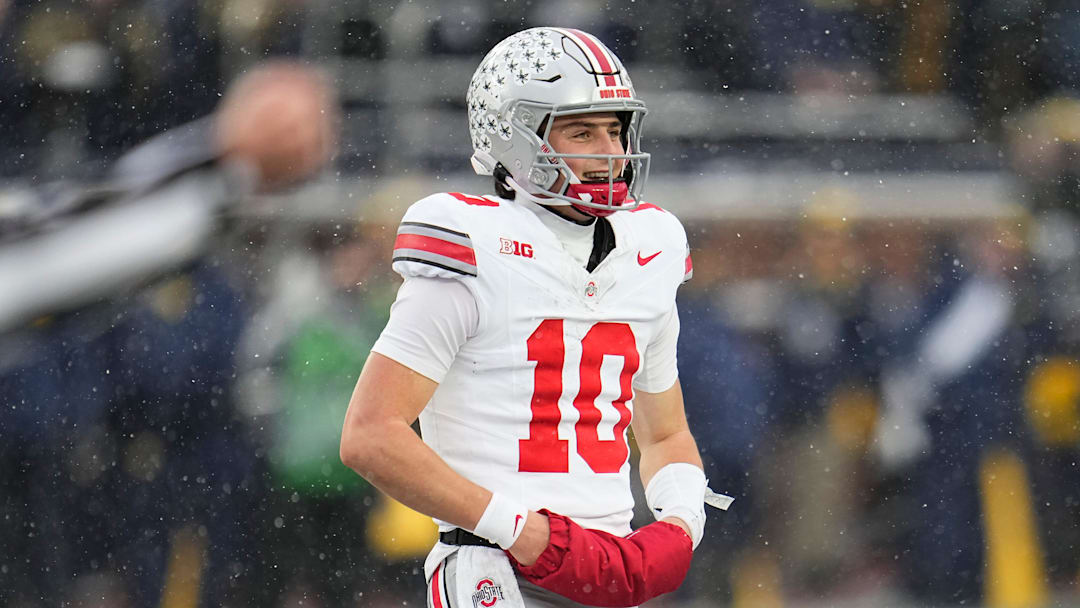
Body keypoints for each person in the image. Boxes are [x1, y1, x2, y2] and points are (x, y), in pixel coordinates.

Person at [340, 27, 727, 608]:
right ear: (514, 137)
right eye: (582, 131)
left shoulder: (652, 244)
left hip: (610, 567)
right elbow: (370, 436)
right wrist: (523, 531)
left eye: (615, 130)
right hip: (493, 566)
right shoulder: (472, 242)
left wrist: (681, 522)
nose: (610, 152)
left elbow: (665, 433)